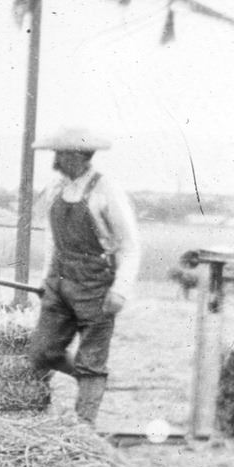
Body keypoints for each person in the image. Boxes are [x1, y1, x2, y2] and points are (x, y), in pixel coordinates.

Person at [27, 127, 141, 426]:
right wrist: (44, 281)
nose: (55, 160)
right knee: (42, 352)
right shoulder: (56, 189)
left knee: (91, 360)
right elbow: (52, 240)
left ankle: (83, 427)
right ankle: (93, 382)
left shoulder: (107, 191)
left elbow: (129, 245)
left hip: (95, 285)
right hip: (59, 282)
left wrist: (121, 290)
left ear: (77, 156)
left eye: (60, 154)